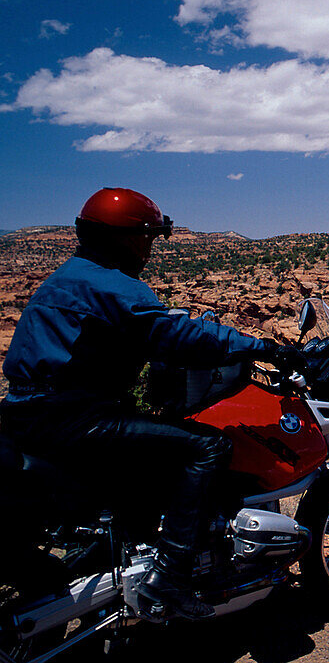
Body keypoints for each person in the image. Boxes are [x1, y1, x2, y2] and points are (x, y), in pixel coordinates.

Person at [0, 188, 300, 620]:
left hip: (25, 416)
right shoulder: (114, 285)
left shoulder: (68, 276)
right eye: (147, 238)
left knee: (144, 449)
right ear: (126, 238)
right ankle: (170, 579)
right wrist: (263, 347)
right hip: (73, 419)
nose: (150, 247)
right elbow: (177, 338)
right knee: (207, 448)